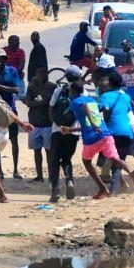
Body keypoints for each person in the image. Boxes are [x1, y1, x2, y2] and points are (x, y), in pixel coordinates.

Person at [61, 79, 134, 200]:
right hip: (106, 134)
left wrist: (93, 125)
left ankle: (102, 189)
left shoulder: (75, 102)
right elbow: (88, 122)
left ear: (73, 91)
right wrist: (70, 130)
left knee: (87, 162)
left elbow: (85, 110)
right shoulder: (92, 100)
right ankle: (130, 170)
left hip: (92, 137)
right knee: (114, 158)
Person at [0, 49, 24, 180]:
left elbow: (17, 89)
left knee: (14, 140)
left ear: (5, 59)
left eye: (1, 58)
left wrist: (1, 87)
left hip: (10, 110)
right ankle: (0, 171)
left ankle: (15, 170)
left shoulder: (12, 71)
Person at [48, 67, 83, 202]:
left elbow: (51, 108)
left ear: (66, 77)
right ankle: (69, 181)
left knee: (54, 160)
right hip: (73, 131)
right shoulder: (82, 90)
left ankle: (55, 190)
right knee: (67, 159)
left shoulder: (58, 90)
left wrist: (57, 124)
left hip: (57, 130)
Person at [23, 66, 56, 183]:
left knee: (49, 151)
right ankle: (39, 175)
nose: (41, 75)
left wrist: (38, 101)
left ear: (47, 74)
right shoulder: (31, 87)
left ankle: (52, 176)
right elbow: (28, 102)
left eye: (43, 73)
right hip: (34, 124)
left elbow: (51, 103)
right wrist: (41, 103)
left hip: (47, 124)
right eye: (39, 73)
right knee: (36, 151)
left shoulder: (52, 87)